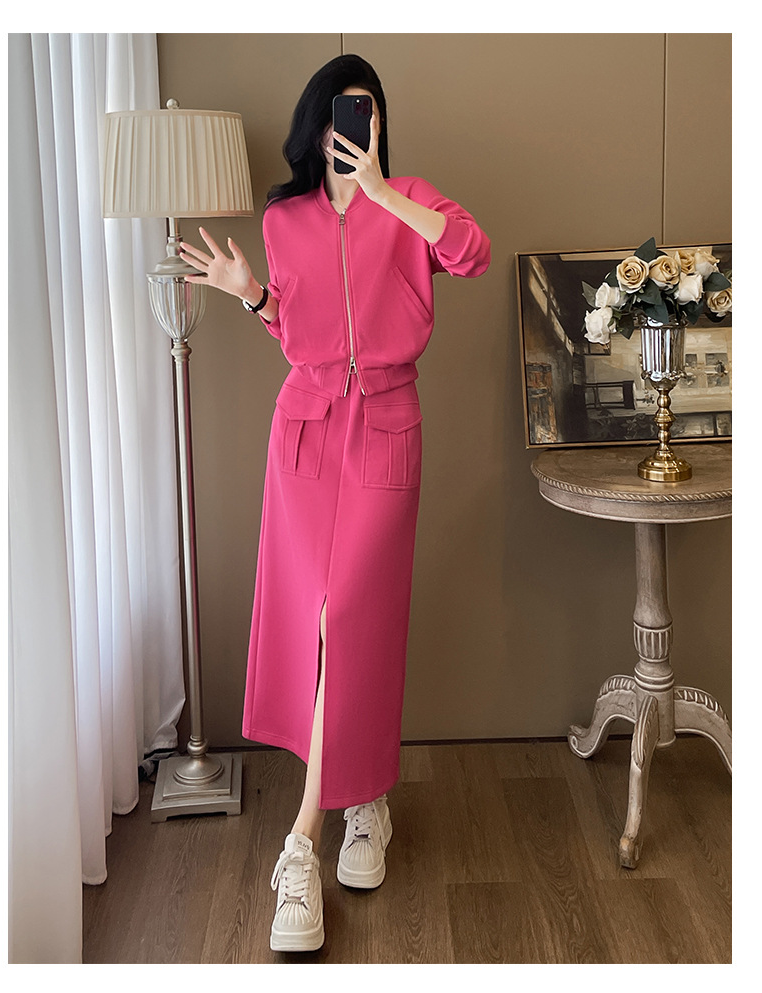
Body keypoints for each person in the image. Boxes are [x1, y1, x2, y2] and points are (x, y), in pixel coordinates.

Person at [181, 54, 490, 953]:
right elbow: (301, 332)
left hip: (386, 427)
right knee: (314, 624)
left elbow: (468, 253)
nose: (345, 131)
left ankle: (301, 843)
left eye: (363, 114)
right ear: (313, 126)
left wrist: (383, 192)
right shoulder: (285, 218)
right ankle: (365, 803)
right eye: (334, 116)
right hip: (306, 433)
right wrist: (253, 297)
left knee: (352, 616)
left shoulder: (413, 201)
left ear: (377, 124)